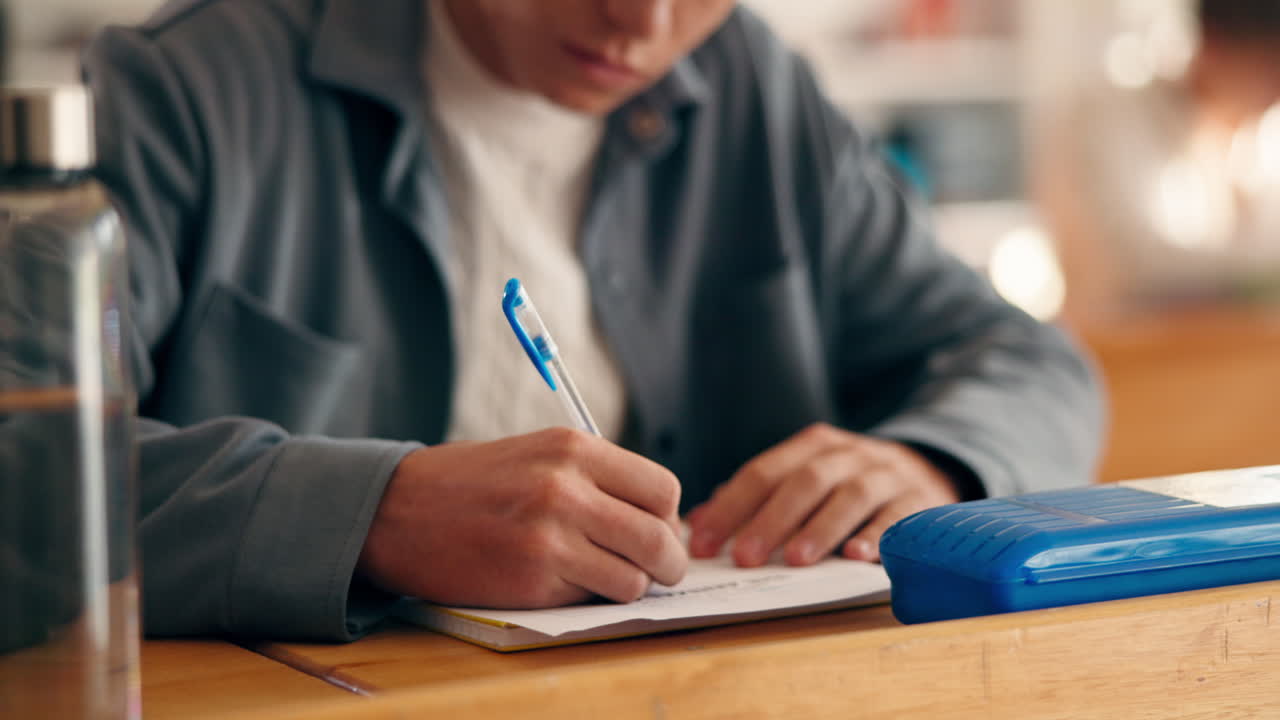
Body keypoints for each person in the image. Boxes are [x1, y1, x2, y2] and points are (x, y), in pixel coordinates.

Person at [82, 0, 1102, 642]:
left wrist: (931, 464)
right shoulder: (183, 94)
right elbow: (22, 465)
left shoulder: (755, 90)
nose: (641, 23)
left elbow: (1030, 365)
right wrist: (375, 517)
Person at [1043, 0, 1280, 326]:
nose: (1275, 92)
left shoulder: (1263, 137)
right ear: (1213, 44)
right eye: (1269, 68)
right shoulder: (1107, 119)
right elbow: (1134, 267)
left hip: (1243, 361)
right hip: (1128, 362)